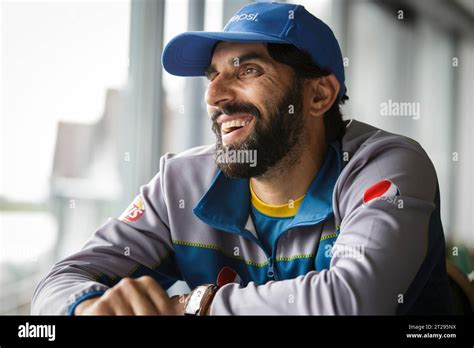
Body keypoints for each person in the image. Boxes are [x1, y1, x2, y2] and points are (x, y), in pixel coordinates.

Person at [32, 1, 452, 315]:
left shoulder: (387, 164)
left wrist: (194, 307)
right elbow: (57, 283)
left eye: (246, 71)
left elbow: (350, 302)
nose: (214, 96)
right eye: (213, 75)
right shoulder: (179, 183)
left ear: (319, 94)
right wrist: (87, 309)